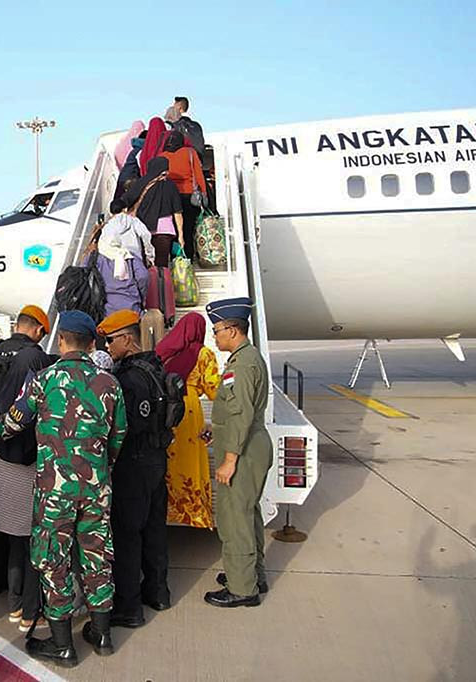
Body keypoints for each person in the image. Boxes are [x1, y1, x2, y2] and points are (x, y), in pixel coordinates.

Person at [0, 311, 126, 667]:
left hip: (54, 491)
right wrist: (101, 470)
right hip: (96, 487)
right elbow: (118, 436)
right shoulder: (110, 384)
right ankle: (102, 634)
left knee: (52, 560)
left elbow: (11, 425)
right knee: (97, 555)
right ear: (92, 344)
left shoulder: (43, 380)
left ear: (61, 341)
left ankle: (62, 644)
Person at [0, 306, 52, 631]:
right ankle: (30, 612)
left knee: (15, 541)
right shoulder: (34, 370)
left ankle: (15, 606)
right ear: (39, 332)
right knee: (32, 542)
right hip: (25, 468)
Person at [97, 310, 173, 628]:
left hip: (133, 463)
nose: (108, 347)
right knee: (154, 529)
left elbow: (119, 426)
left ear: (128, 339)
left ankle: (127, 607)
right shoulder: (157, 368)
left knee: (127, 534)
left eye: (111, 340)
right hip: (157, 458)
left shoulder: (126, 379)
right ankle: (157, 592)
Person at [202, 297, 272, 608]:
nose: (214, 336)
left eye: (216, 330)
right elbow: (234, 413)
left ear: (232, 330)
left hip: (243, 452)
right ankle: (252, 573)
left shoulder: (242, 364)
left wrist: (229, 460)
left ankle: (243, 589)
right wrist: (214, 429)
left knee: (235, 518)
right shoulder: (246, 358)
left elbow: (242, 414)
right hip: (249, 445)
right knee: (249, 513)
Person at [156, 313, 219, 527]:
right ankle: (193, 512)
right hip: (189, 411)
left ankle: (167, 510)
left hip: (167, 410)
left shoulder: (164, 352)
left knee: (170, 461)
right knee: (190, 462)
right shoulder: (203, 354)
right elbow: (214, 390)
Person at [88, 199, 155, 316]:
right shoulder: (133, 221)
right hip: (132, 258)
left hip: (110, 259)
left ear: (111, 213)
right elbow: (146, 235)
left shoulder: (107, 226)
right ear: (125, 209)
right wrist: (150, 256)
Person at [123, 156, 184, 268]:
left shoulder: (140, 183)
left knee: (144, 264)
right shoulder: (170, 185)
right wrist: (181, 235)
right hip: (164, 231)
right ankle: (161, 284)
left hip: (142, 229)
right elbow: (177, 212)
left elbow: (125, 201)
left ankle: (148, 285)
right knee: (162, 265)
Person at [159, 130, 208, 253]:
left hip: (169, 196)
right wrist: (204, 194)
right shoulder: (190, 153)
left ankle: (176, 258)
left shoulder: (162, 156)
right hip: (188, 196)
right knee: (188, 229)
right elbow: (199, 175)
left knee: (173, 229)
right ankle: (188, 258)